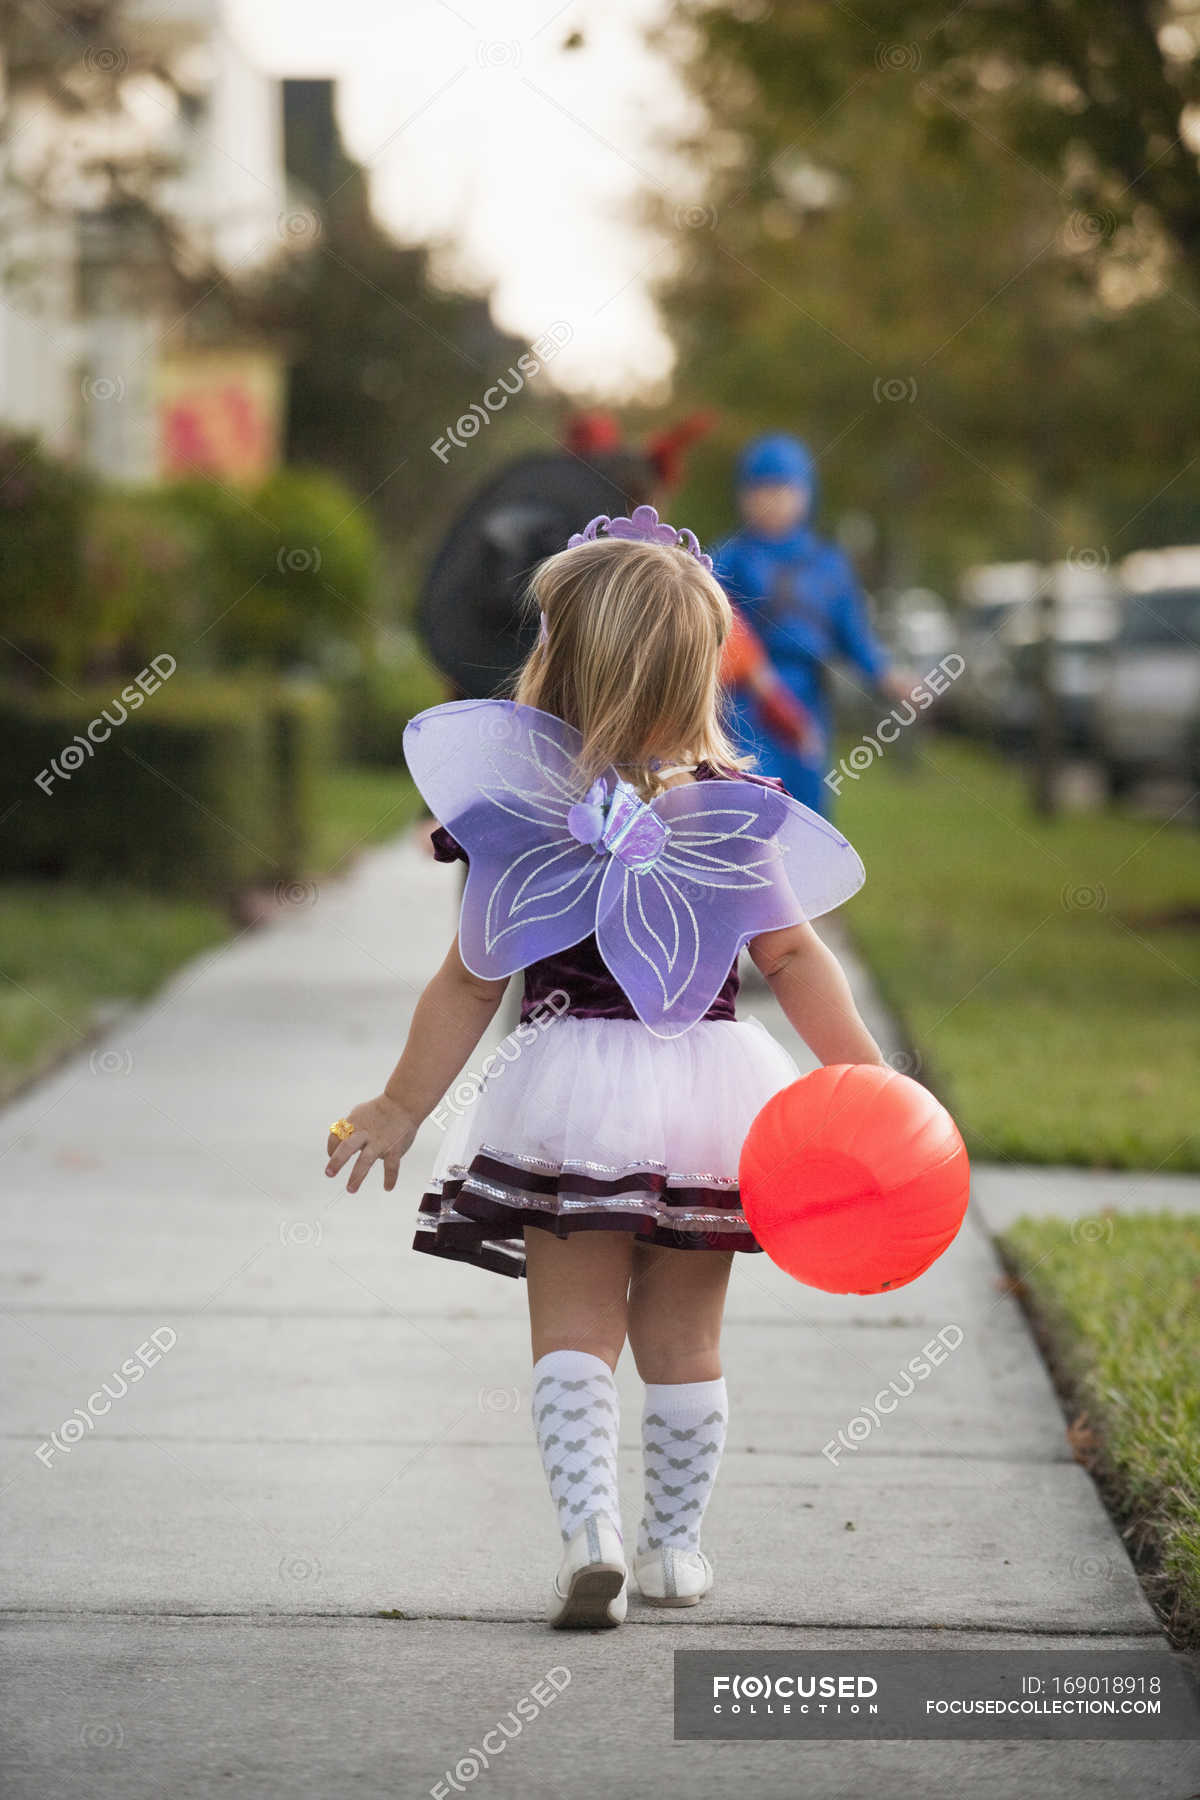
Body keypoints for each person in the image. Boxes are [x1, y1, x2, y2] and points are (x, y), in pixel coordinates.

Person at [324, 505, 884, 1629]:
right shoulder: (732, 819)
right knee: (685, 1335)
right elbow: (796, 961)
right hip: (707, 1102)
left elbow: (472, 982)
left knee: (571, 1331)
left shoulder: (522, 821)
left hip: (562, 1094)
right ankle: (675, 1547)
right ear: (701, 672)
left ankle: (595, 1537)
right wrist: (868, 1087)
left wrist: (399, 1105)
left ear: (553, 659)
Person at [713, 433, 912, 815]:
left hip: (808, 699)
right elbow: (711, 628)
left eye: (784, 489)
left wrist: (886, 675)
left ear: (806, 493)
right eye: (761, 489)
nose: (772, 501)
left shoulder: (828, 563)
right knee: (750, 804)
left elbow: (853, 634)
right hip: (744, 703)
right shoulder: (728, 557)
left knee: (808, 811)